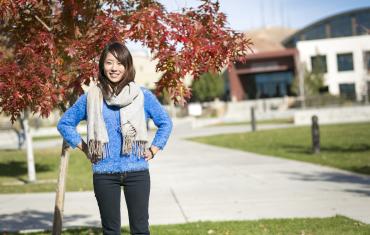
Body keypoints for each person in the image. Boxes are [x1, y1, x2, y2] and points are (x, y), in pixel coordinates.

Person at [57, 41, 172, 235]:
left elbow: (165, 123)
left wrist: (154, 149)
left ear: (127, 67)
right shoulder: (92, 97)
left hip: (137, 171)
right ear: (102, 65)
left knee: (140, 229)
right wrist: (85, 148)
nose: (114, 68)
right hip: (104, 173)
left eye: (120, 63)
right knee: (110, 230)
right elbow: (65, 123)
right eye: (109, 62)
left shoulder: (142, 95)